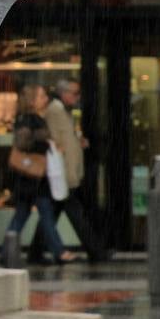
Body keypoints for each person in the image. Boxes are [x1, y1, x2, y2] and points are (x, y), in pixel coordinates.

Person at [27, 80, 111, 264]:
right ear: (63, 93)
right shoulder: (56, 110)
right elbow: (56, 140)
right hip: (62, 174)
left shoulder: (63, 111)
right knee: (75, 215)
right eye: (74, 93)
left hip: (65, 174)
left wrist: (77, 142)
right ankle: (96, 251)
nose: (77, 96)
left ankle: (35, 252)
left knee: (52, 215)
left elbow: (64, 138)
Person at [7, 84, 74, 265]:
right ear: (32, 100)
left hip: (29, 179)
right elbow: (22, 143)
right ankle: (59, 251)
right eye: (42, 96)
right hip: (34, 178)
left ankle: (6, 252)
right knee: (45, 214)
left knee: (23, 216)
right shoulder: (30, 120)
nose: (46, 99)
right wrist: (45, 143)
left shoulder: (29, 118)